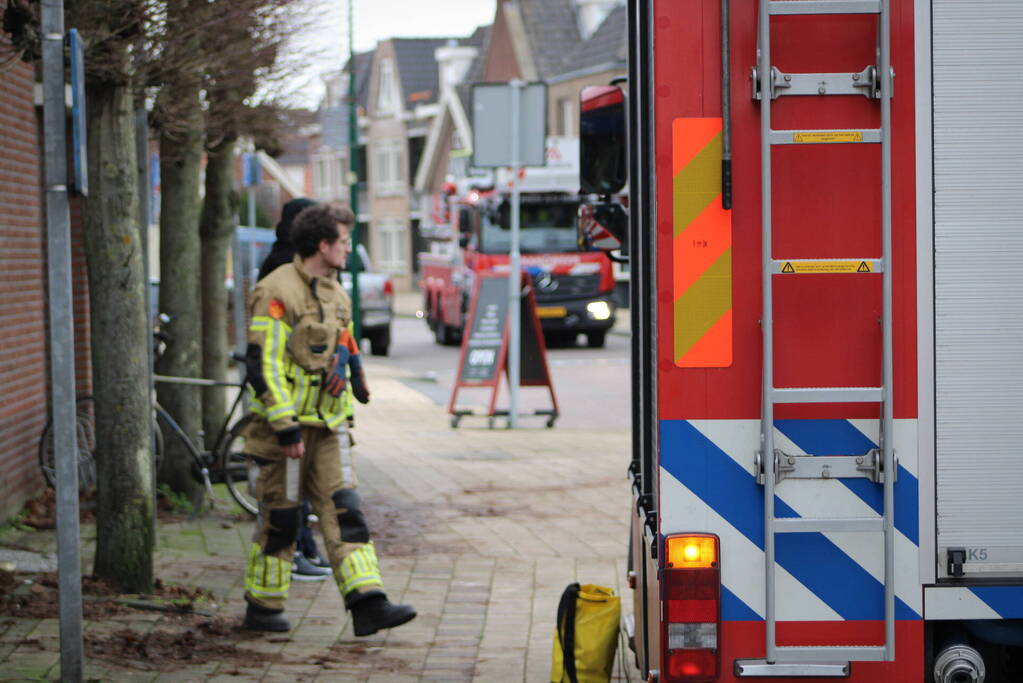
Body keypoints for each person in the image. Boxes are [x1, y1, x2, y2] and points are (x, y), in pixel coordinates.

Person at [241, 202, 416, 635]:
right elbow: (264, 365)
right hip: (288, 433)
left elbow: (344, 342)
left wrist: (354, 374)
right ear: (323, 245)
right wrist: (286, 428)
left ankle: (368, 603)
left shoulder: (337, 293)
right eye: (343, 241)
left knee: (346, 513)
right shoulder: (276, 291)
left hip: (331, 427)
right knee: (282, 520)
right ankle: (263, 608)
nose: (348, 248)